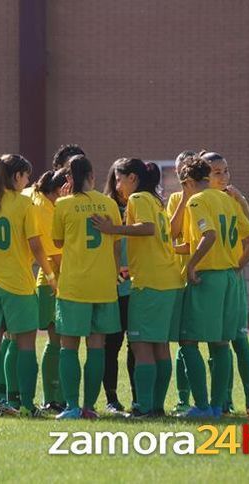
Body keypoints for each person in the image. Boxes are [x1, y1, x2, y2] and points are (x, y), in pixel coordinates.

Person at [92, 158, 184, 418]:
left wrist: (112, 228)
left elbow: (147, 229)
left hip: (150, 283)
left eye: (119, 179)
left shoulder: (138, 198)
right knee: (160, 346)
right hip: (167, 279)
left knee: (141, 345)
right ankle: (156, 406)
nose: (117, 185)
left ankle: (143, 407)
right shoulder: (155, 200)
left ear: (133, 178)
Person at [171, 155, 249, 418]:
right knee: (221, 344)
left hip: (207, 279)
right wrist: (236, 266)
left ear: (187, 182)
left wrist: (191, 265)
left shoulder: (197, 200)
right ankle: (219, 405)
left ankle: (201, 405)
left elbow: (208, 236)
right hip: (230, 280)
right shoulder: (227, 200)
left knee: (188, 341)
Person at [0, 154, 57, 418]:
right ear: (16, 176)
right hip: (15, 282)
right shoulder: (23, 204)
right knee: (26, 344)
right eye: (26, 176)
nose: (28, 181)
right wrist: (50, 274)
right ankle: (28, 405)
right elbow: (35, 245)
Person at [52, 154, 123, 420]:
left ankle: (71, 406)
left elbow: (58, 242)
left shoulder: (63, 205)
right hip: (104, 285)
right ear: (92, 175)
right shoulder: (109, 204)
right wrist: (113, 274)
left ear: (69, 178)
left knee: (68, 346)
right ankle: (89, 407)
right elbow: (117, 244)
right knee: (97, 346)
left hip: (74, 285)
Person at [205, 153, 249, 417]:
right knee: (217, 343)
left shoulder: (230, 200)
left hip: (229, 278)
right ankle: (224, 400)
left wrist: (237, 265)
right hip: (217, 277)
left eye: (226, 171)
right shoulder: (202, 200)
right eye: (217, 172)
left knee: (236, 340)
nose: (224, 177)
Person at [22, 169, 70, 413]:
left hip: (42, 278)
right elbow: (55, 255)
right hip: (52, 281)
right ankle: (53, 396)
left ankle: (44, 396)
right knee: (58, 340)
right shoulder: (45, 207)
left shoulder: (33, 195)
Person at [100, 162, 136, 415]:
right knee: (110, 345)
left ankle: (138, 398)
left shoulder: (142, 205)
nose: (119, 185)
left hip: (136, 287)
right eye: (116, 179)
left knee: (136, 346)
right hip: (112, 287)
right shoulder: (106, 207)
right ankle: (111, 398)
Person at [166, 149, 196, 416]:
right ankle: (183, 398)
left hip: (205, 274)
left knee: (221, 342)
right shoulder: (176, 198)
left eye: (187, 168)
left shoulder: (214, 198)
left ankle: (223, 400)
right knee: (184, 339)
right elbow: (172, 233)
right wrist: (185, 197)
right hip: (180, 276)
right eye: (179, 170)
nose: (182, 173)